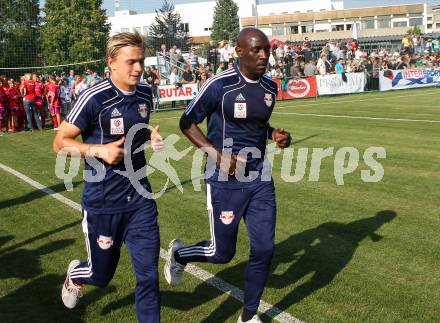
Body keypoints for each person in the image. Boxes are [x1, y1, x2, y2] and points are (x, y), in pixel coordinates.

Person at [164, 27, 291, 323]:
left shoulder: (270, 88)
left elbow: (258, 125)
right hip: (224, 181)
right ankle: (180, 255)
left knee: (265, 248)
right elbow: (186, 122)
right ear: (239, 52)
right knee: (222, 254)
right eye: (256, 50)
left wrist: (276, 135)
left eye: (266, 50)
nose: (263, 55)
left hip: (259, 177)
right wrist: (216, 154)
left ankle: (247, 317)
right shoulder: (219, 86)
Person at [53, 32, 163, 323]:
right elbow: (59, 142)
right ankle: (76, 274)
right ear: (111, 62)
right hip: (103, 202)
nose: (138, 68)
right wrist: (97, 150)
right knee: (100, 276)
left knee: (149, 278)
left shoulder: (145, 94)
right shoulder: (93, 97)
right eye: (131, 62)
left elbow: (133, 133)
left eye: (141, 61)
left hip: (141, 200)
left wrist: (150, 136)